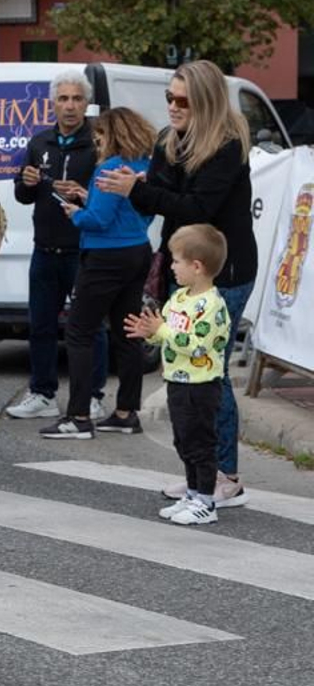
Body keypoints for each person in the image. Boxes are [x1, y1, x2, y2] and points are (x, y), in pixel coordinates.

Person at [100, 60, 257, 508]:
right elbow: (160, 202)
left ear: (205, 101)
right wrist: (137, 188)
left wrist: (138, 190)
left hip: (223, 274)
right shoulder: (170, 140)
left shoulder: (227, 145)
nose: (172, 105)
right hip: (183, 269)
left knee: (210, 372)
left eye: (182, 100)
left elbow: (196, 208)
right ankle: (200, 473)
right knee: (184, 366)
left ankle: (226, 476)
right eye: (169, 97)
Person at [42, 107, 157, 439]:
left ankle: (78, 417)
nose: (97, 142)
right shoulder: (143, 166)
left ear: (113, 135)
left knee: (79, 331)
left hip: (106, 256)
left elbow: (98, 220)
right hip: (137, 249)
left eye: (101, 136)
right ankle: (126, 412)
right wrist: (89, 197)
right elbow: (137, 210)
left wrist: (76, 213)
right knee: (128, 331)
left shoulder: (109, 167)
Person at [6, 70, 107, 421]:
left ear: (86, 103)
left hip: (83, 249)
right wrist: (26, 181)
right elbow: (22, 196)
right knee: (41, 326)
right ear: (53, 103)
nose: (70, 106)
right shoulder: (39, 142)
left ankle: (91, 395)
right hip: (45, 248)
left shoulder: (97, 143)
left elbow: (108, 195)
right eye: (63, 99)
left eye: (77, 99)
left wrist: (83, 194)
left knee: (88, 327)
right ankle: (42, 394)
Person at [124, 224, 233, 526]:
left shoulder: (212, 305)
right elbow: (169, 335)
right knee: (184, 442)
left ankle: (206, 503)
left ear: (197, 266)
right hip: (177, 381)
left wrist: (163, 331)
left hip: (201, 386)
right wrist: (150, 332)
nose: (171, 267)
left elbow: (197, 346)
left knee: (201, 445)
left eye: (176, 261)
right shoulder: (179, 298)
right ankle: (193, 494)